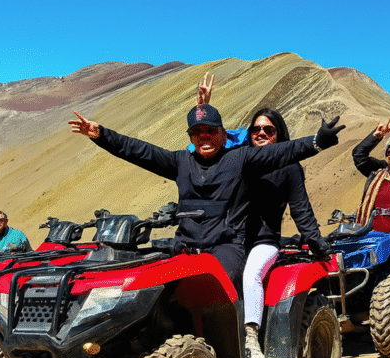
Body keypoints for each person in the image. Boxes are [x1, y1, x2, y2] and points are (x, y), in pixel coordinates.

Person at [68, 104, 344, 296]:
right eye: (197, 132)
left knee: (228, 286)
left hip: (234, 245)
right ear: (191, 138)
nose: (204, 137)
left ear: (224, 136)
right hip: (187, 244)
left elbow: (287, 153)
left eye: (211, 131)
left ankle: (247, 339)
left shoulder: (241, 159)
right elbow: (140, 151)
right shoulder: (181, 161)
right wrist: (101, 135)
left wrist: (317, 142)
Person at [197, 75, 329, 358]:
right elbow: (206, 150)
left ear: (278, 134)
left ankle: (251, 341)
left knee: (251, 275)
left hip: (264, 241)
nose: (260, 133)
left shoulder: (290, 167)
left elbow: (301, 210)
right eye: (255, 129)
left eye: (267, 129)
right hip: (229, 239)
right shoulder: (238, 159)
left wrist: (316, 240)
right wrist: (203, 108)